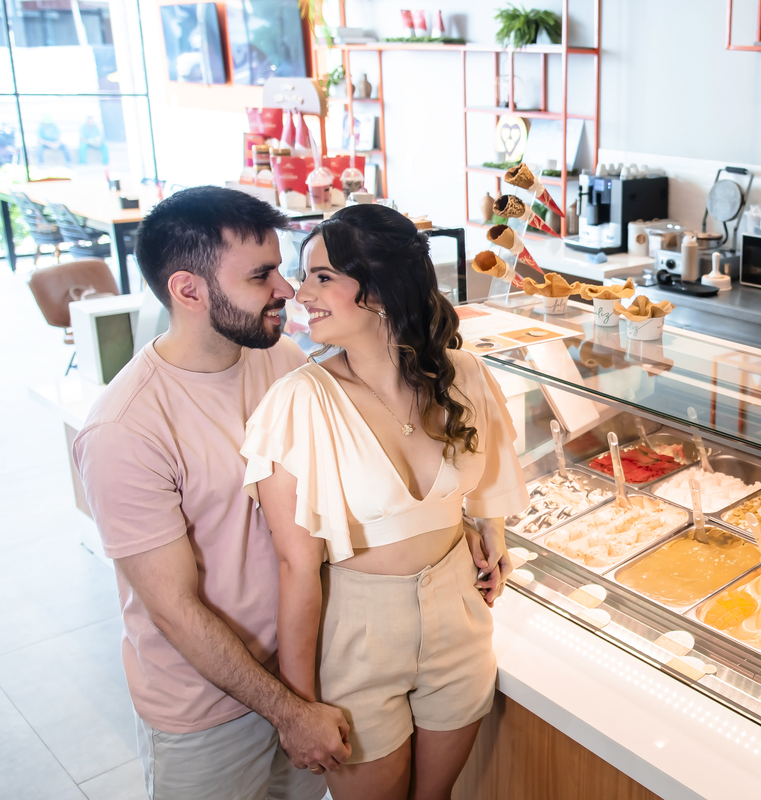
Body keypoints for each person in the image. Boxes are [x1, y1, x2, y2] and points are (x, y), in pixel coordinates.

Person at [242, 204, 528, 800]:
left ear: (379, 286)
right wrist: (297, 708)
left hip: (459, 612)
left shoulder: (464, 374)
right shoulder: (299, 402)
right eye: (304, 276)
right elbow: (296, 567)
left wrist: (491, 533)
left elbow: (488, 477)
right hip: (358, 629)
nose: (300, 293)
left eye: (322, 276)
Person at [73, 186, 350, 800]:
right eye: (262, 275)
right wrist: (287, 712)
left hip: (303, 674)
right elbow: (176, 611)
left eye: (281, 267)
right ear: (188, 290)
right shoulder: (126, 429)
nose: (287, 289)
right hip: (208, 713)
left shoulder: (278, 357)